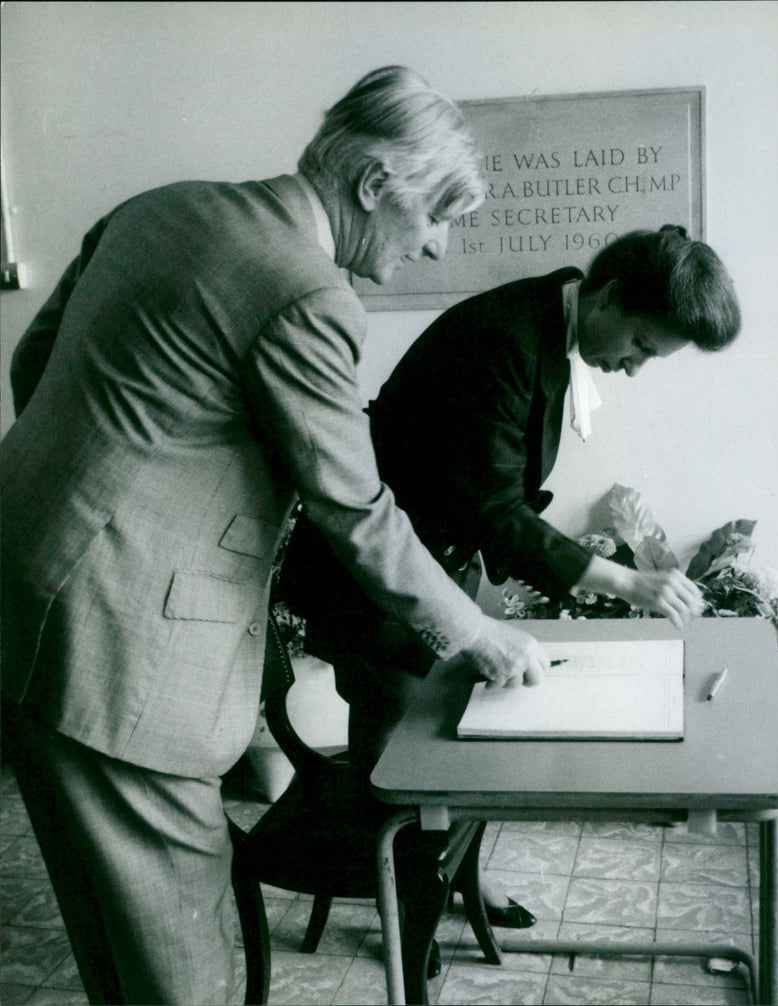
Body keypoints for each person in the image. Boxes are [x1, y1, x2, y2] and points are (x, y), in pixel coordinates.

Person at [0, 66, 551, 1006]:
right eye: (435, 216)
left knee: (105, 911)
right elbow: (354, 508)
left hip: (26, 595)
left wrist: (118, 487)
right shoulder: (306, 292)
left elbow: (32, 364)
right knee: (179, 946)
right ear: (372, 184)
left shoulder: (160, 208)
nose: (436, 245)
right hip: (119, 644)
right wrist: (477, 633)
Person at [279, 223, 741, 927]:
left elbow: (495, 494)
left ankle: (451, 873)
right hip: (374, 580)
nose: (634, 368)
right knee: (402, 756)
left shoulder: (548, 321)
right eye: (643, 345)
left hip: (437, 562)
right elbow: (495, 510)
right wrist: (630, 583)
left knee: (456, 739)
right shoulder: (503, 339)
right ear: (610, 296)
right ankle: (410, 910)